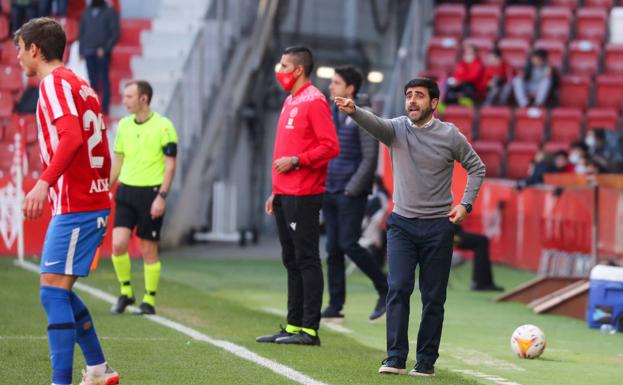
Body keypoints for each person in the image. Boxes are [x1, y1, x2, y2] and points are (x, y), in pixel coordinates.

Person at [335, 77, 485, 376]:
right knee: (399, 287)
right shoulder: (397, 129)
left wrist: (465, 205)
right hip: (401, 225)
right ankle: (395, 358)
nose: (412, 100)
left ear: (433, 103)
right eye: (408, 95)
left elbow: (476, 167)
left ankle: (426, 361)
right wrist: (354, 111)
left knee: (433, 298)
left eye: (419, 95)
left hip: (438, 227)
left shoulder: (449, 135)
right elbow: (374, 123)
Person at [16, 17, 119, 385]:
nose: (17, 57)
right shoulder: (80, 84)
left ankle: (68, 379)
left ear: (35, 49)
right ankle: (97, 369)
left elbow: (73, 138)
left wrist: (44, 182)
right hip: (86, 200)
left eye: (20, 48)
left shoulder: (54, 84)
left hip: (79, 203)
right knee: (56, 289)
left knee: (51, 293)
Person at [256, 46, 339, 346]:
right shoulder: (291, 100)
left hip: (304, 193)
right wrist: (275, 190)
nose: (279, 71)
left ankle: (310, 329)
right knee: (291, 259)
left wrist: (297, 161)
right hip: (285, 193)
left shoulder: (314, 101)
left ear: (299, 70)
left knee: (306, 258)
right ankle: (293, 325)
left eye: (284, 66)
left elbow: (330, 146)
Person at [321, 65, 388, 323]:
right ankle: (335, 304)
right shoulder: (332, 113)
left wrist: (352, 189)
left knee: (348, 244)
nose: (331, 86)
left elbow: (370, 159)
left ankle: (384, 288)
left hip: (350, 192)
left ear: (350, 88)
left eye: (336, 82)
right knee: (333, 249)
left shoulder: (364, 115)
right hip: (331, 189)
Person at [109, 80, 178, 316]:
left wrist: (162, 197)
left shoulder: (164, 126)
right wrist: (106, 185)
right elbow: (118, 159)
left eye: (129, 96)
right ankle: (126, 293)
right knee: (118, 244)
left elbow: (170, 166)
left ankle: (148, 300)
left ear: (143, 99)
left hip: (151, 194)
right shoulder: (124, 125)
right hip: (126, 191)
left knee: (148, 249)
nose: (124, 101)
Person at [78, 0, 119, 114]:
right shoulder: (86, 12)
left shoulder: (110, 12)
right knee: (92, 81)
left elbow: (115, 33)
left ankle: (105, 109)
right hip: (88, 52)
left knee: (104, 80)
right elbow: (81, 33)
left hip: (102, 54)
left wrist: (105, 49)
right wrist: (81, 50)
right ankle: (93, 108)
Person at [453, 225, 504, 291]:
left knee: (482, 241)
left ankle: (481, 282)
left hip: (450, 231)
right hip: (449, 233)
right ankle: (480, 282)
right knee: (481, 241)